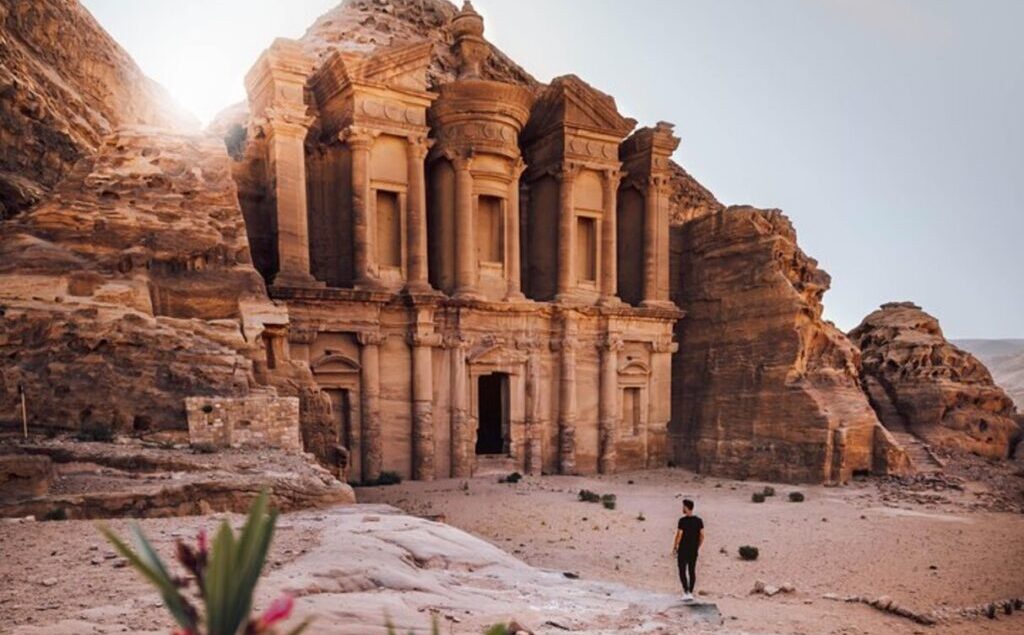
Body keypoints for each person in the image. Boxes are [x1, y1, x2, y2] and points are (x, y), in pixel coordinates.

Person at [672, 498, 704, 602]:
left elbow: (679, 535)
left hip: (683, 549)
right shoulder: (699, 521)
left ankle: (686, 591)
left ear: (686, 507)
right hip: (693, 549)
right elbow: (702, 536)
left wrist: (675, 546)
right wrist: (698, 546)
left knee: (682, 570)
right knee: (691, 570)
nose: (682, 509)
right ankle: (690, 591)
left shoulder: (682, 521)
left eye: (683, 507)